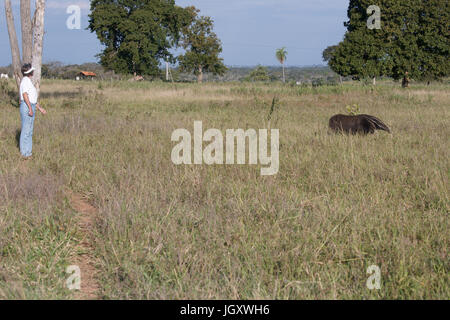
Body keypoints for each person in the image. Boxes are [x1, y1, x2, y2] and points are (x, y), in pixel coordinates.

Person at [19, 63, 46, 159]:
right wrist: (30, 108)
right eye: (32, 70)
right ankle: (24, 153)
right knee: (26, 130)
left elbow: (32, 98)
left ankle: (28, 152)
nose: (33, 71)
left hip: (31, 105)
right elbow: (25, 95)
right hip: (27, 106)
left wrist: (39, 108)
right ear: (29, 72)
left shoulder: (28, 81)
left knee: (29, 131)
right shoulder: (25, 81)